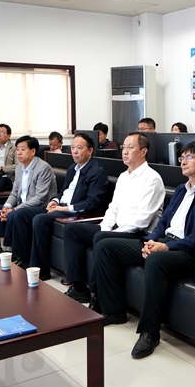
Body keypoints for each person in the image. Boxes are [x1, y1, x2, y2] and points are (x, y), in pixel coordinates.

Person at [95, 141, 195, 359]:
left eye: (189, 157)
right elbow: (163, 221)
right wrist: (151, 241)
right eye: (182, 157)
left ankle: (150, 332)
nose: (183, 162)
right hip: (167, 242)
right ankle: (113, 311)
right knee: (105, 246)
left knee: (156, 260)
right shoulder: (181, 190)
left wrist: (166, 246)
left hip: (193, 253)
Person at [63, 132, 165, 311]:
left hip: (138, 234)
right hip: (116, 229)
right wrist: (105, 228)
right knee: (71, 230)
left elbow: (142, 221)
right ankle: (79, 287)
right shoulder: (124, 176)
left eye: (130, 148)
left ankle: (97, 296)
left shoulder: (152, 179)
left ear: (143, 151)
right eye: (123, 147)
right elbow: (113, 208)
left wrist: (109, 233)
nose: (124, 151)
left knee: (101, 238)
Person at [11, 133, 110, 280]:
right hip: (60, 207)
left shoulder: (97, 172)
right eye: (73, 147)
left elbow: (92, 203)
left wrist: (63, 208)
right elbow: (63, 191)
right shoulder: (72, 168)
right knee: (21, 214)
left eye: (79, 148)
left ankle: (41, 270)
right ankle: (24, 259)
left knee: (40, 219)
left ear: (90, 150)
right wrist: (55, 201)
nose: (74, 151)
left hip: (75, 212)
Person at [0, 136, 57, 260]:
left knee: (14, 214)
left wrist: (15, 209)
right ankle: (5, 249)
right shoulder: (19, 168)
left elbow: (39, 198)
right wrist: (6, 207)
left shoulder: (43, 168)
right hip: (23, 205)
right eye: (17, 149)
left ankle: (17, 254)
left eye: (23, 149)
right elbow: (15, 192)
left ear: (33, 151)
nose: (19, 153)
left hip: (41, 207)